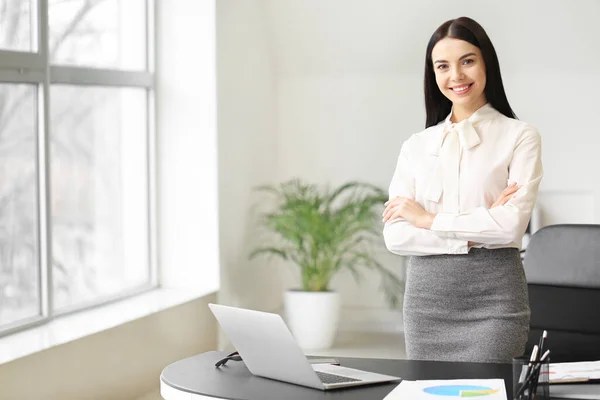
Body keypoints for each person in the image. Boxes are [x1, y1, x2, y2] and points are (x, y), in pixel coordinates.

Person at [382, 16, 543, 363]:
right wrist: (480, 227)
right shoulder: (415, 145)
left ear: (487, 62)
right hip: (426, 305)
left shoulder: (520, 136)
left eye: (467, 61)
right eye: (443, 66)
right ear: (433, 74)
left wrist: (426, 219)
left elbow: (510, 227)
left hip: (495, 302)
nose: (456, 76)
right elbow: (395, 237)